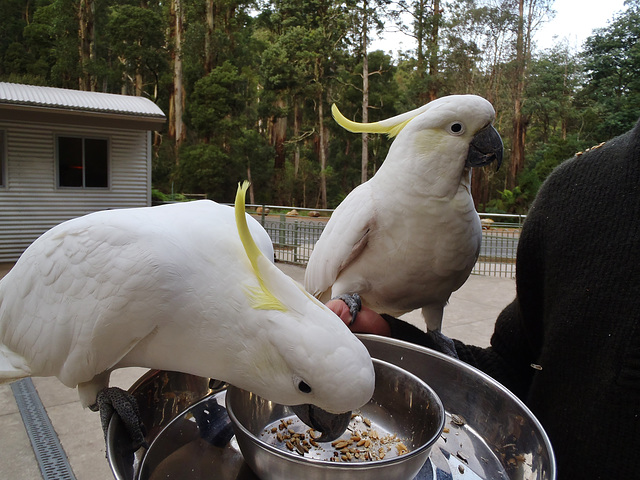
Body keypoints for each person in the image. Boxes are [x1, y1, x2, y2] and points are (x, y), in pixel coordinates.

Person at [326, 117, 640, 479]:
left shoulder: (468, 227)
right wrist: (397, 338)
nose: (486, 139)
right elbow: (513, 371)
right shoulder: (579, 190)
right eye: (458, 129)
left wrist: (435, 341)